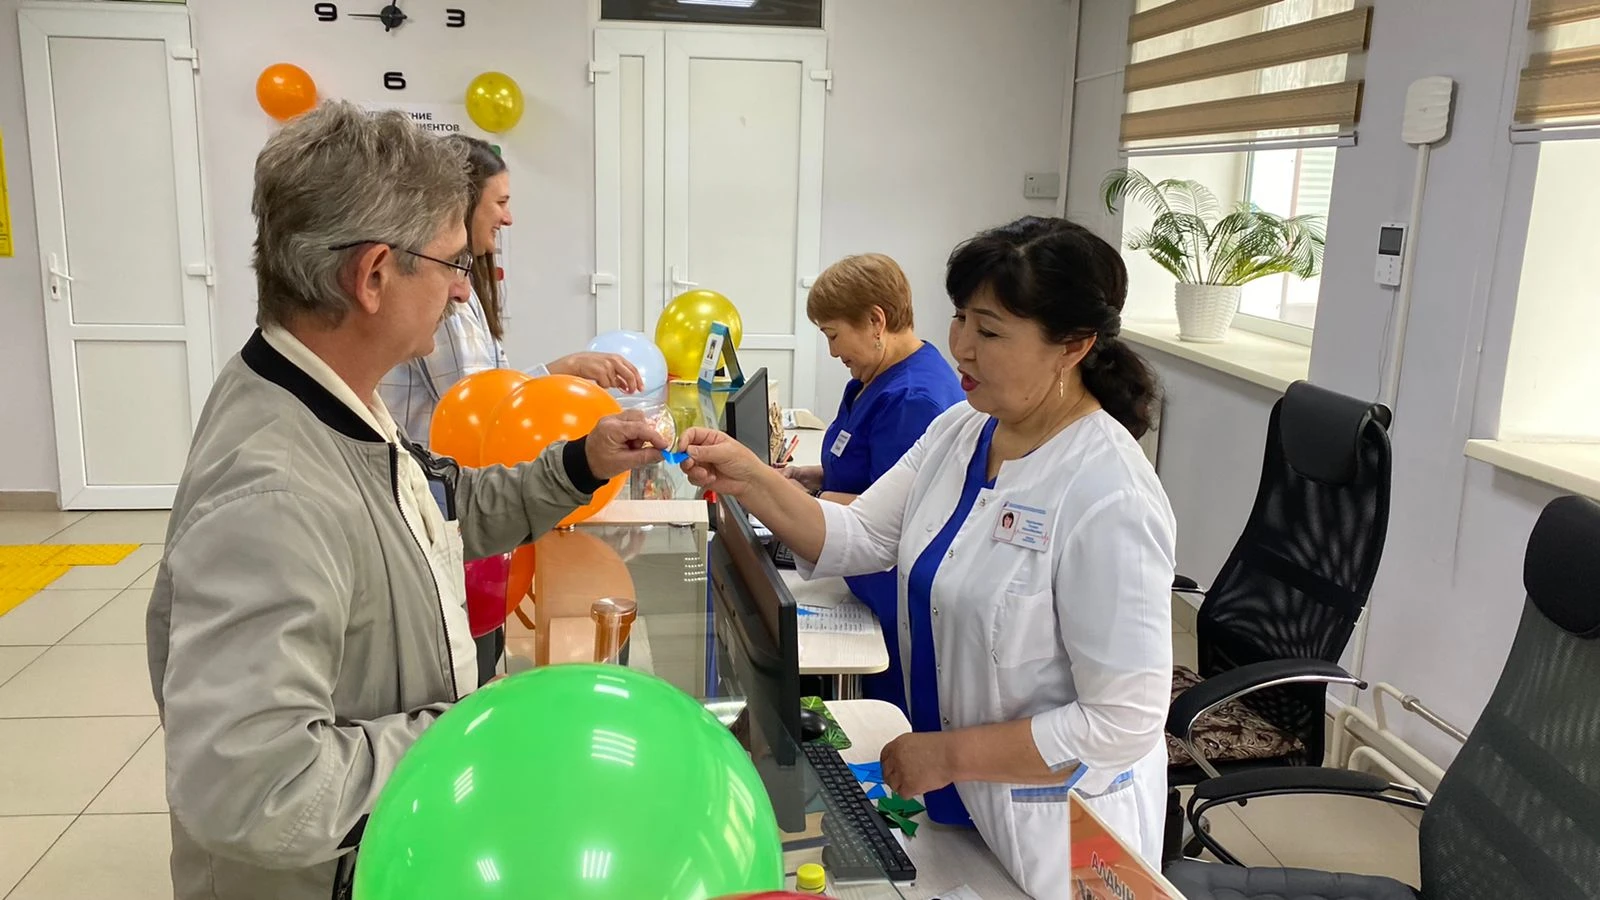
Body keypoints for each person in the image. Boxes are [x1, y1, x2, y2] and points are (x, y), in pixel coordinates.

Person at [145, 102, 666, 900]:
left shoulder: (333, 398)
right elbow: (253, 786)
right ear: (374, 276)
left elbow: (437, 511)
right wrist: (477, 736)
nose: (461, 291)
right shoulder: (274, 491)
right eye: (451, 264)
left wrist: (579, 463)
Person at [678, 216, 1175, 897]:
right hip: (962, 807)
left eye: (990, 331)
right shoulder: (962, 430)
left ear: (1073, 346)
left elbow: (1123, 720)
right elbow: (856, 537)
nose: (960, 345)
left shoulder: (1109, 493)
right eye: (960, 317)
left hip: (1061, 835)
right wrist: (749, 476)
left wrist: (949, 755)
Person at [378, 134, 644, 446]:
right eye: (500, 203)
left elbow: (489, 389)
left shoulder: (458, 284)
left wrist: (566, 369)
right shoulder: (442, 291)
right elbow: (483, 409)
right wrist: (567, 370)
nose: (508, 218)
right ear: (462, 205)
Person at [782, 253, 963, 708]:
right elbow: (867, 464)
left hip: (889, 597)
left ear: (875, 321)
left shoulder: (913, 399)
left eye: (833, 335)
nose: (832, 352)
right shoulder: (873, 376)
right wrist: (812, 476)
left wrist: (790, 498)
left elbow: (892, 515)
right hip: (858, 582)